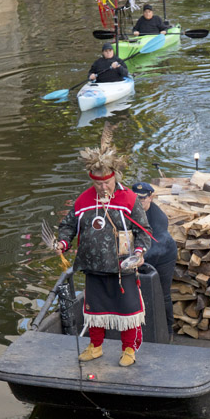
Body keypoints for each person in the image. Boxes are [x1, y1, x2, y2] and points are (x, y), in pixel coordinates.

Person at [56, 128, 152, 367]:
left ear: (114, 178)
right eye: (98, 184)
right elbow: (68, 225)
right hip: (93, 266)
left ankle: (129, 349)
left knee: (128, 312)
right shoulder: (83, 200)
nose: (103, 188)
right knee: (94, 311)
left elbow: (144, 232)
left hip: (122, 267)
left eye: (107, 183)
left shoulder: (129, 199)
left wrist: (139, 253)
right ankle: (95, 346)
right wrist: (63, 243)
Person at [132, 181, 177, 339]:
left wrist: (136, 258)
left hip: (164, 255)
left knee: (163, 293)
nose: (139, 202)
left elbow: (155, 247)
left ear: (151, 197)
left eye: (142, 199)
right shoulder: (129, 211)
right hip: (139, 254)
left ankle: (168, 330)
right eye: (136, 198)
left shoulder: (158, 218)